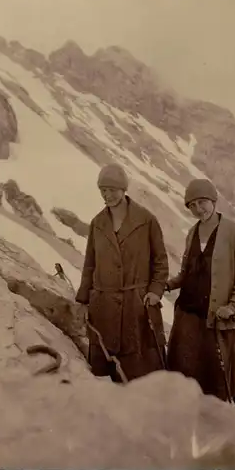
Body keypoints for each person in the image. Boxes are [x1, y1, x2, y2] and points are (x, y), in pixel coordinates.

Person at [75, 163, 169, 382]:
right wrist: (82, 300)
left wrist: (155, 291)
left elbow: (161, 261)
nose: (107, 195)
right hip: (103, 307)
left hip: (135, 306)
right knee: (103, 372)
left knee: (137, 373)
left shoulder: (146, 220)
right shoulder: (97, 223)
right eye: (103, 190)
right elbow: (90, 264)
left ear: (123, 189)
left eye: (112, 190)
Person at [166, 179, 235, 407]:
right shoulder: (192, 233)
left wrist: (232, 307)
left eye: (202, 202)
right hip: (189, 318)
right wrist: (169, 284)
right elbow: (186, 274)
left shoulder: (234, 233)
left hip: (219, 319)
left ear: (213, 200)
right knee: (189, 376)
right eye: (192, 205)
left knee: (226, 379)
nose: (198, 209)